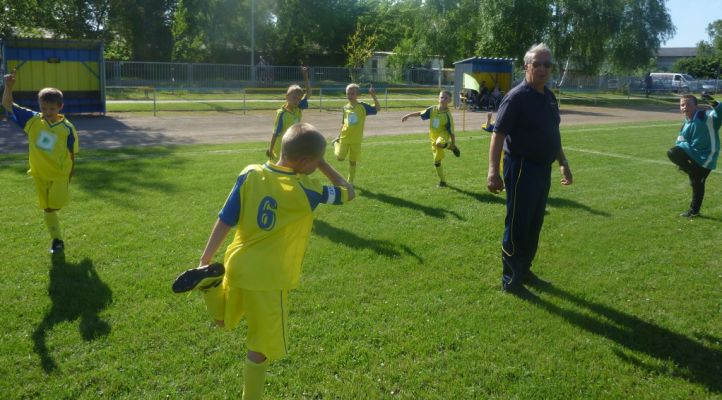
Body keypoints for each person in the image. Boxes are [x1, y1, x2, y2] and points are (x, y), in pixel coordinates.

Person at [172, 122, 355, 400]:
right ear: (306, 162)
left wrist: (205, 258)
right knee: (260, 347)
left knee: (223, 320)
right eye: (315, 161)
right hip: (268, 279)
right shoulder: (309, 190)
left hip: (237, 264)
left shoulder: (250, 174)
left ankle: (211, 284)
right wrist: (323, 164)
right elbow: (348, 191)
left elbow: (225, 218)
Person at [486, 43, 573, 293]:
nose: (543, 68)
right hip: (521, 168)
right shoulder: (516, 98)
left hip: (543, 169)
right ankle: (510, 279)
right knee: (518, 224)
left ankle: (524, 270)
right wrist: (493, 171)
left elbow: (553, 134)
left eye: (547, 64)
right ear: (526, 67)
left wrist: (563, 162)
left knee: (534, 223)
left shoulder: (549, 97)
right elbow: (498, 135)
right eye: (537, 64)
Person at [2, 69, 79, 254]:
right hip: (39, 174)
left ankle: (57, 237)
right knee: (48, 209)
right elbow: (7, 104)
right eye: (44, 108)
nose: (47, 112)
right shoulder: (33, 120)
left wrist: (71, 173)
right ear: (40, 106)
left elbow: (72, 153)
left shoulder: (67, 128)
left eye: (51, 109)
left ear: (60, 107)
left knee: (54, 206)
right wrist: (8, 86)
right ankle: (57, 241)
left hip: (59, 175)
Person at [667, 93, 721, 217]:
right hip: (693, 155)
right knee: (673, 152)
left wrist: (710, 99)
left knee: (696, 183)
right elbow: (680, 142)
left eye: (688, 104)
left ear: (696, 106)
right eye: (682, 105)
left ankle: (694, 210)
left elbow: (720, 110)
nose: (684, 107)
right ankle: (692, 172)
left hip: (707, 157)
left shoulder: (706, 116)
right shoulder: (686, 123)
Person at [401, 90, 460, 187]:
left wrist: (453, 143)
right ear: (438, 98)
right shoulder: (433, 109)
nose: (443, 99)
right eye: (441, 97)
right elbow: (420, 113)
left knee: (439, 143)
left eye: (446, 98)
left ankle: (451, 146)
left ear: (449, 101)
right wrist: (408, 115)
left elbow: (452, 132)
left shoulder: (447, 115)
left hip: (444, 134)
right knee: (437, 161)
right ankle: (442, 182)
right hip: (433, 137)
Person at [332, 83, 380, 184]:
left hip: (356, 140)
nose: (350, 96)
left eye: (352, 94)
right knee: (340, 158)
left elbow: (377, 108)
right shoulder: (345, 107)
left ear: (357, 94)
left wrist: (373, 96)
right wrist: (338, 136)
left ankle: (350, 182)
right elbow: (343, 123)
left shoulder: (363, 106)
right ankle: (336, 144)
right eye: (348, 94)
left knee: (352, 162)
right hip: (344, 137)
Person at [266, 65, 311, 161]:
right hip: (280, 148)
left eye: (299, 99)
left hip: (293, 146)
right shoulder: (282, 113)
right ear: (287, 97)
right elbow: (275, 133)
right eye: (294, 97)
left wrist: (305, 76)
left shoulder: (298, 108)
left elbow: (309, 93)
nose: (296, 100)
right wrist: (271, 149)